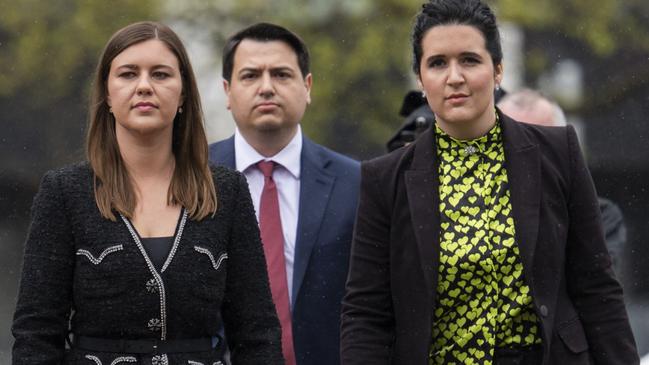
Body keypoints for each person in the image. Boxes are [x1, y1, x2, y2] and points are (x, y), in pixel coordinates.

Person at [340, 0, 639, 364]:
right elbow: (366, 314)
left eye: (469, 59)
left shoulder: (558, 153)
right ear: (421, 79)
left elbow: (597, 289)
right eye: (437, 63)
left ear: (498, 70)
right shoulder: (384, 179)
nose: (454, 77)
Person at [11, 21, 283, 364]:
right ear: (107, 94)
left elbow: (257, 334)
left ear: (183, 93)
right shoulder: (65, 192)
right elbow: (36, 334)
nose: (144, 86)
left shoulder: (227, 192)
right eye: (128, 74)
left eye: (160, 74)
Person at [208, 23, 360, 365]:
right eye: (250, 76)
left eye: (281, 74)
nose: (266, 88)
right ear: (227, 91)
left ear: (307, 87)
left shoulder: (356, 183)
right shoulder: (189, 179)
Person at [498, 88, 628, 272]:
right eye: (511, 141)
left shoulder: (598, 215)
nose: (525, 154)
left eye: (539, 141)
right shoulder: (462, 206)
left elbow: (592, 285)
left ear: (563, 147)